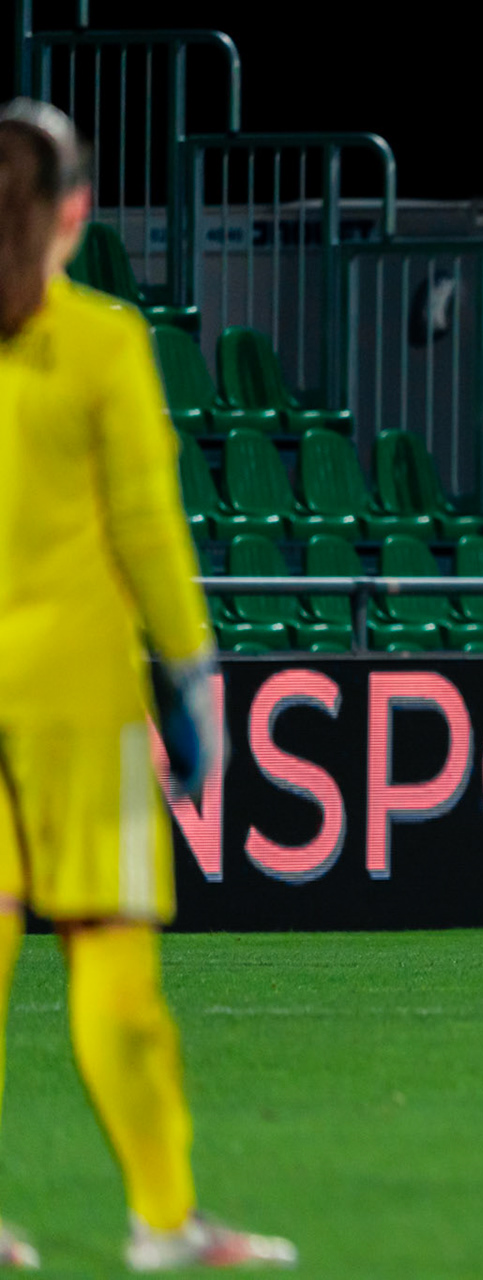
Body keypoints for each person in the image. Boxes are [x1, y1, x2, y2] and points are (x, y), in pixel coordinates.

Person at [0, 100, 295, 1270]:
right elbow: (147, 529)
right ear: (78, 210)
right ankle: (163, 1219)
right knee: (113, 967)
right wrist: (192, 679)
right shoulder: (103, 339)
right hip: (78, 701)